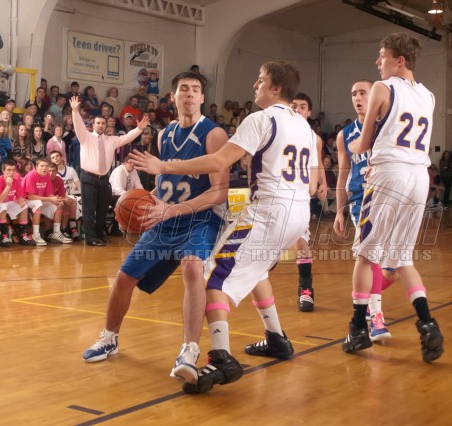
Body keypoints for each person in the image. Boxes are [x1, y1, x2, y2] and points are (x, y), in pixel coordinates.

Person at [131, 60, 318, 394]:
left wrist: (163, 166)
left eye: (260, 80)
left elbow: (219, 161)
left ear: (276, 88)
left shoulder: (261, 118)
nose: (255, 85)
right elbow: (314, 180)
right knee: (254, 269)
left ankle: (221, 357)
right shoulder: (303, 124)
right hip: (299, 214)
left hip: (268, 212)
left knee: (211, 276)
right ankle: (276, 337)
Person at [82, 71, 229, 390]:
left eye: (196, 89)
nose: (190, 94)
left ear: (202, 98)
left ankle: (189, 351)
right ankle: (109, 338)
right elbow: (166, 183)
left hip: (201, 218)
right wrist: (143, 203)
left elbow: (219, 192)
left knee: (192, 268)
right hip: (165, 216)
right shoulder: (165, 135)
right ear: (173, 97)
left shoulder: (214, 135)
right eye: (183, 89)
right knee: (124, 278)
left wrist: (171, 209)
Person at [342, 33, 443, 363]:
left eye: (382, 56)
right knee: (402, 258)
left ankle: (358, 329)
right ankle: (427, 324)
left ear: (399, 60)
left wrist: (350, 147)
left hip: (389, 173)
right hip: (419, 176)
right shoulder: (428, 95)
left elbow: (364, 142)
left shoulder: (382, 88)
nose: (378, 62)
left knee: (365, 254)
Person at [334, 79, 394, 343]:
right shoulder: (345, 135)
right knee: (370, 258)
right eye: (353, 94)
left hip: (389, 197)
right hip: (361, 200)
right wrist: (339, 210)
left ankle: (367, 299)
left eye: (362, 93)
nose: (357, 98)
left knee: (391, 270)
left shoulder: (387, 126)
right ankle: (377, 318)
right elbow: (342, 175)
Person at [70, 95, 149, 246]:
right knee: (89, 209)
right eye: (98, 123)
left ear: (106, 125)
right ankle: (91, 238)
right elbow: (78, 125)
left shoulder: (111, 140)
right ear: (93, 125)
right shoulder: (85, 137)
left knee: (102, 209)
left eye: (103, 123)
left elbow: (127, 138)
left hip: (103, 179)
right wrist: (75, 111)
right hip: (88, 177)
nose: (100, 125)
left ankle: (100, 234)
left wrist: (139, 129)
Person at [289, 92, 327, 312]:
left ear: (309, 112)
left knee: (301, 243)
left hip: (300, 195)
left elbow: (318, 162)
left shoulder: (315, 138)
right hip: (277, 194)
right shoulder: (279, 130)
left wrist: (323, 183)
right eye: (294, 106)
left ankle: (306, 290)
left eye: (302, 107)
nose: (297, 110)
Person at [21, 158, 72, 245]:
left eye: (46, 166)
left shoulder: (47, 175)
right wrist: (50, 199)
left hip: (39, 199)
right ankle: (35, 234)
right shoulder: (31, 175)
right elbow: (30, 196)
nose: (44, 168)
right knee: (38, 203)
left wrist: (56, 199)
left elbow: (49, 194)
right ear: (36, 167)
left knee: (59, 204)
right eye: (42, 166)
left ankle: (56, 233)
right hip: (25, 200)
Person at [0, 159, 35, 247]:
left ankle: (23, 235)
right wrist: (8, 186)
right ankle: (4, 236)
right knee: (2, 206)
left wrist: (21, 201)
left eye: (14, 170)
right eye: (9, 170)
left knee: (24, 207)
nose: (11, 172)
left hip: (9, 203)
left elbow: (20, 197)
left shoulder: (16, 181)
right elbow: (0, 200)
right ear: (3, 171)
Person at [49, 150, 81, 241]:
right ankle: (71, 227)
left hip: (69, 194)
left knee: (76, 201)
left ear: (61, 157)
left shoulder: (71, 170)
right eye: (53, 158)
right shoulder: (51, 172)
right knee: (71, 202)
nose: (56, 159)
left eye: (57, 156)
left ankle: (72, 228)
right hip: (57, 196)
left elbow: (78, 184)